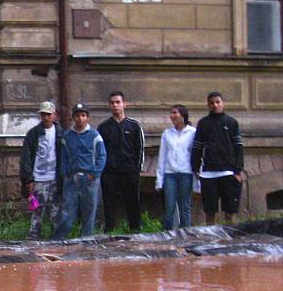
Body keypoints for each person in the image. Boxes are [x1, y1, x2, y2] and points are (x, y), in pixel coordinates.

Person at [52, 103, 107, 240]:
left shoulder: (95, 136)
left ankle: (86, 240)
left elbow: (102, 156)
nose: (80, 119)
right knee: (67, 213)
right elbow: (63, 157)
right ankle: (57, 240)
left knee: (89, 213)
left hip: (90, 180)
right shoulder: (67, 136)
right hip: (72, 179)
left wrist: (94, 174)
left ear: (87, 118)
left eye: (83, 115)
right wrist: (65, 174)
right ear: (73, 118)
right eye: (77, 115)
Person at [191, 91, 244, 225]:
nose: (215, 105)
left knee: (230, 212)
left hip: (228, 173)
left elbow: (238, 147)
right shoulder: (203, 123)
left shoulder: (232, 123)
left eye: (217, 102)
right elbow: (197, 147)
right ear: (208, 105)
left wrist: (238, 170)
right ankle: (210, 241)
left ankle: (231, 240)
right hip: (209, 174)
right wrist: (195, 168)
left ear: (223, 103)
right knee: (210, 212)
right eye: (212, 103)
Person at [97, 91, 145, 233]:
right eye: (112, 103)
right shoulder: (103, 127)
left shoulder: (134, 126)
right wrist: (103, 169)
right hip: (109, 172)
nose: (115, 105)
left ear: (124, 104)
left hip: (129, 171)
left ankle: (135, 229)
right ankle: (109, 229)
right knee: (109, 203)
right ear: (109, 105)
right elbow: (99, 150)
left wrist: (137, 170)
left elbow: (140, 148)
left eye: (118, 102)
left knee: (132, 202)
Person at [20, 101, 63, 240]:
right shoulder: (33, 134)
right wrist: (28, 179)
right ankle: (33, 237)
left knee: (56, 211)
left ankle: (56, 238)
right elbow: (26, 157)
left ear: (54, 115)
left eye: (48, 114)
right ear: (40, 115)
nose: (46, 117)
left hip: (56, 178)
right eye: (43, 114)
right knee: (37, 210)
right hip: (39, 179)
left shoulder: (61, 133)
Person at [156, 104, 196, 230]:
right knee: (169, 207)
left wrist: (197, 176)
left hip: (186, 173)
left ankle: (185, 234)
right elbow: (162, 156)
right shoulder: (167, 134)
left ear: (182, 115)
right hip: (170, 173)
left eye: (175, 113)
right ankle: (167, 234)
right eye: (171, 113)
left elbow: (196, 154)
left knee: (185, 207)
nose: (172, 116)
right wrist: (159, 179)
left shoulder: (193, 132)